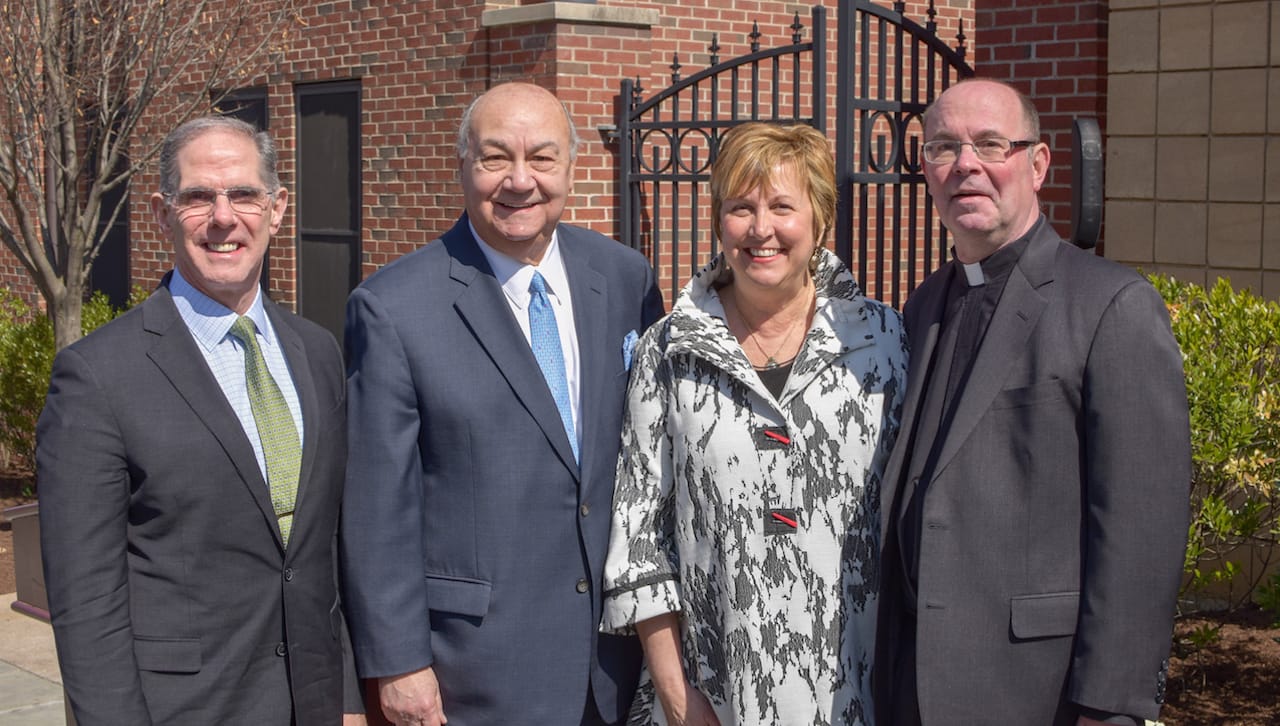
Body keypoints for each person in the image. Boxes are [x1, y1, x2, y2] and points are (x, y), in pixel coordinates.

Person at [340, 82, 665, 726]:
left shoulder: (625, 279)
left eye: (542, 158)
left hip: (617, 664)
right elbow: (379, 506)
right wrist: (399, 664)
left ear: (572, 167)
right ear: (463, 165)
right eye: (495, 158)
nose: (520, 181)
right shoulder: (393, 307)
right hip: (474, 672)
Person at [873, 78, 1192, 725]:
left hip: (1032, 692)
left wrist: (1112, 706)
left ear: (1038, 163)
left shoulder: (1110, 307)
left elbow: (1138, 531)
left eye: (990, 144)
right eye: (943, 148)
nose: (966, 165)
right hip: (908, 685)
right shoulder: (924, 305)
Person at [36, 116, 365, 724]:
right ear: (162, 215)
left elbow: (327, 552)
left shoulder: (316, 353)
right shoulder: (97, 377)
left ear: (277, 208)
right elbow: (86, 602)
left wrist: (346, 697)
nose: (223, 217)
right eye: (197, 197)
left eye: (243, 194)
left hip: (316, 703)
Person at [601, 122, 908, 725]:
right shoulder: (670, 349)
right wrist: (680, 701)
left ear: (819, 221)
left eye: (782, 207)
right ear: (719, 219)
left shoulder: (882, 340)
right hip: (710, 697)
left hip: (856, 698)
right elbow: (639, 539)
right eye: (741, 207)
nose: (760, 229)